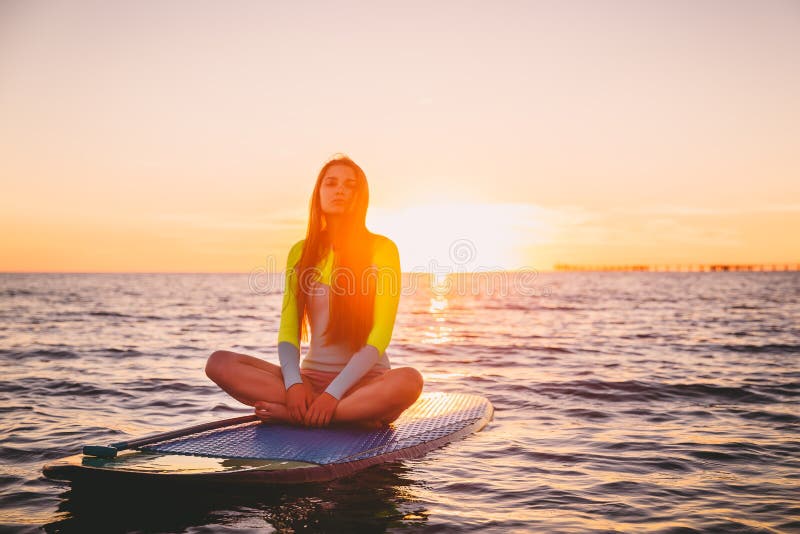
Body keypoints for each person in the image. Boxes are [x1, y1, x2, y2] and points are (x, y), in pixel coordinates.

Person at [205, 154, 423, 428]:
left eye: (350, 185)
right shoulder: (301, 251)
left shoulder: (382, 249)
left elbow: (380, 336)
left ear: (361, 196)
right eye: (331, 183)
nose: (340, 189)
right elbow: (288, 331)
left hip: (365, 383)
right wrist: (294, 384)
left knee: (410, 381)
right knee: (219, 363)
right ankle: (339, 415)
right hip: (310, 383)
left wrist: (333, 394)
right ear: (318, 193)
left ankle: (309, 415)